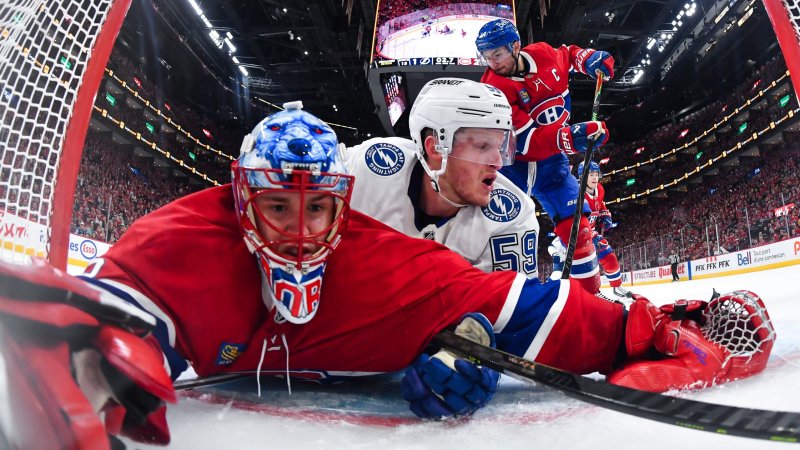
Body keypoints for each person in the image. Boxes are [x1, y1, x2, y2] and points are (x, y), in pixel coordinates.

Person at [0, 103, 775, 449]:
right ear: (238, 203)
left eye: (318, 211)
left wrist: (653, 327)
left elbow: (525, 307)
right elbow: (126, 316)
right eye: (277, 208)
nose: (302, 235)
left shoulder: (390, 262)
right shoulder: (181, 238)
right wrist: (103, 346)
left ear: (346, 207)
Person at [343, 78, 540, 278]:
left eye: (499, 147)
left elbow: (500, 306)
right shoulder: (372, 165)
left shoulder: (510, 215)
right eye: (483, 146)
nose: (497, 162)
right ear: (435, 148)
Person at [474, 18, 616, 294]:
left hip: (552, 164)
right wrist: (570, 138)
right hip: (511, 165)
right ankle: (499, 299)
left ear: (515, 46)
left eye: (498, 54)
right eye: (486, 56)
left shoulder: (544, 54)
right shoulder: (493, 88)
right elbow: (525, 142)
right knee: (501, 232)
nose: (492, 62)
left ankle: (591, 297)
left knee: (580, 228)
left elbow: (570, 54)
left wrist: (589, 58)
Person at [578, 160, 630, 299]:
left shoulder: (600, 189)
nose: (595, 178)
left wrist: (605, 214)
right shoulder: (576, 194)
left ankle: (617, 286)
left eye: (596, 174)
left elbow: (600, 204)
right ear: (583, 176)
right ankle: (586, 294)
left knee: (609, 257)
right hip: (577, 236)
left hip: (592, 232)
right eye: (591, 175)